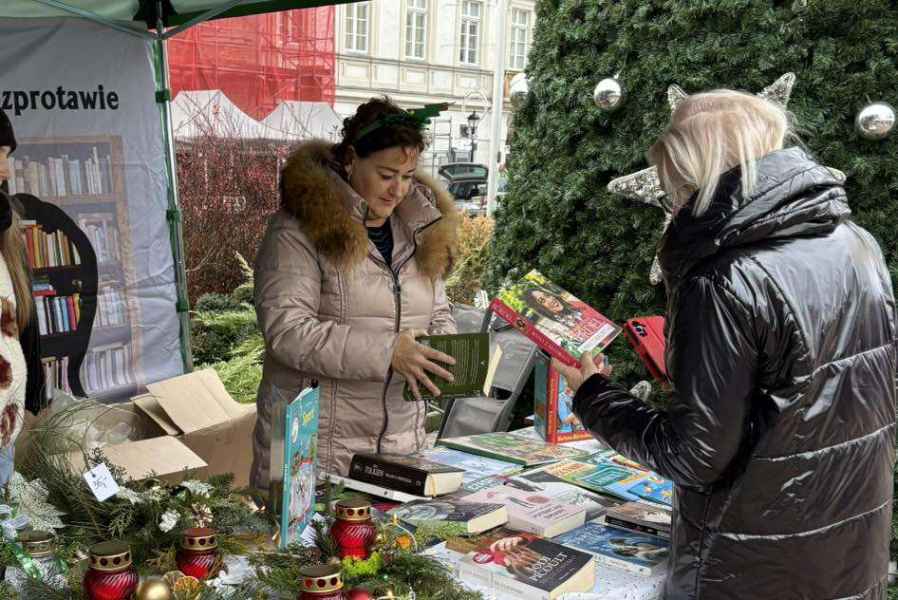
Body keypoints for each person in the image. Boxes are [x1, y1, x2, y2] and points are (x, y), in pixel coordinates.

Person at [554, 89, 896, 599]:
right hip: (847, 549)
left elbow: (696, 455)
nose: (671, 201)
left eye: (674, 183)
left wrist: (594, 395)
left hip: (748, 564)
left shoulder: (723, 277)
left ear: (693, 171)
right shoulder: (856, 242)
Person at [251, 97, 459, 487]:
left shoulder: (422, 230)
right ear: (350, 159)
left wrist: (444, 351)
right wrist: (388, 351)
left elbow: (438, 312)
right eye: (386, 174)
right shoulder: (298, 230)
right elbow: (287, 331)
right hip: (316, 452)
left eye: (409, 175)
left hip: (399, 449)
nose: (397, 189)